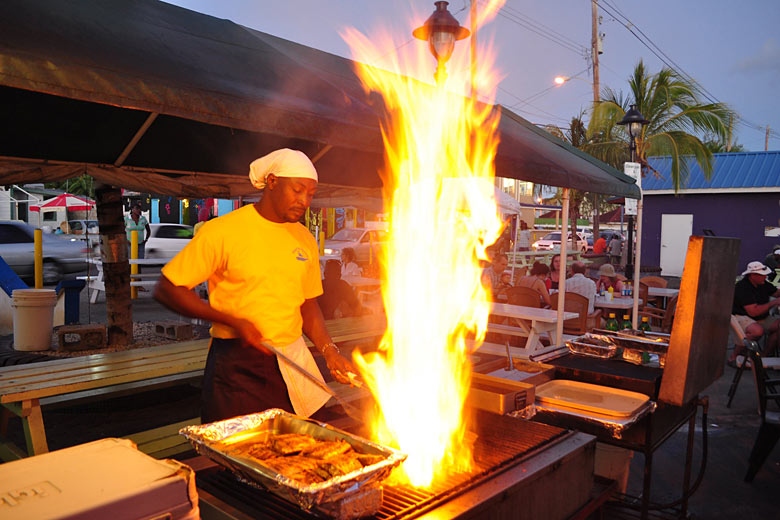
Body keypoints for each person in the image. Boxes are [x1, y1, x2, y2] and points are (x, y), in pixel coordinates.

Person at [153, 148, 357, 423]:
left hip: (294, 361)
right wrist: (231, 320)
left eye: (310, 194)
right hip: (238, 365)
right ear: (272, 182)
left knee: (299, 452)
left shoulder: (304, 239)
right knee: (239, 453)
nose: (304, 201)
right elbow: (168, 288)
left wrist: (330, 351)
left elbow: (308, 304)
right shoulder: (223, 231)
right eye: (297, 190)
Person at [730, 261, 780, 362]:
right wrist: (774, 303)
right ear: (753, 275)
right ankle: (733, 357)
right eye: (762, 275)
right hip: (742, 316)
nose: (765, 277)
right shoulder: (742, 287)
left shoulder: (762, 283)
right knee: (757, 331)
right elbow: (754, 312)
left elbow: (776, 293)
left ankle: (763, 356)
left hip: (760, 316)